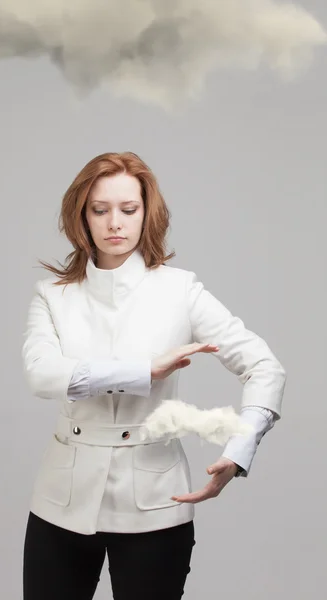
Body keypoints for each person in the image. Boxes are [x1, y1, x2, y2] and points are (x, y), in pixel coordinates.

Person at [21, 151, 286, 600]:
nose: (114, 223)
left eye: (129, 209)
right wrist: (144, 370)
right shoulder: (53, 295)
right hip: (61, 501)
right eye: (99, 210)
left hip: (156, 502)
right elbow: (41, 375)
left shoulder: (180, 291)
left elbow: (264, 366)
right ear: (81, 216)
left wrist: (241, 448)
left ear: (148, 213)